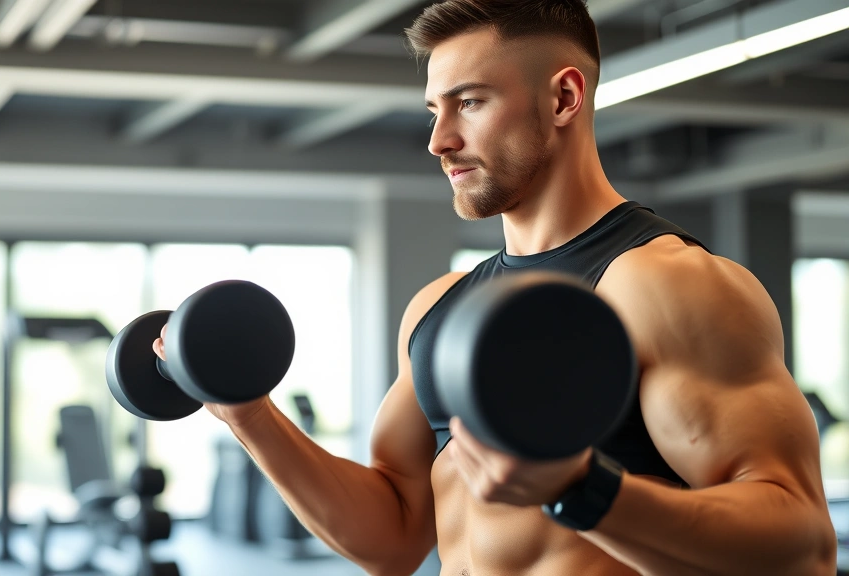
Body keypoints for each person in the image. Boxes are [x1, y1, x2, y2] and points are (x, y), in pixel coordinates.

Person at [154, 1, 837, 574]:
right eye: (433, 110)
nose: (438, 141)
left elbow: (801, 541)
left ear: (564, 97)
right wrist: (250, 416)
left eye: (470, 103)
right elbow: (394, 533)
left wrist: (583, 489)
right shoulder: (439, 307)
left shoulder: (662, 283)